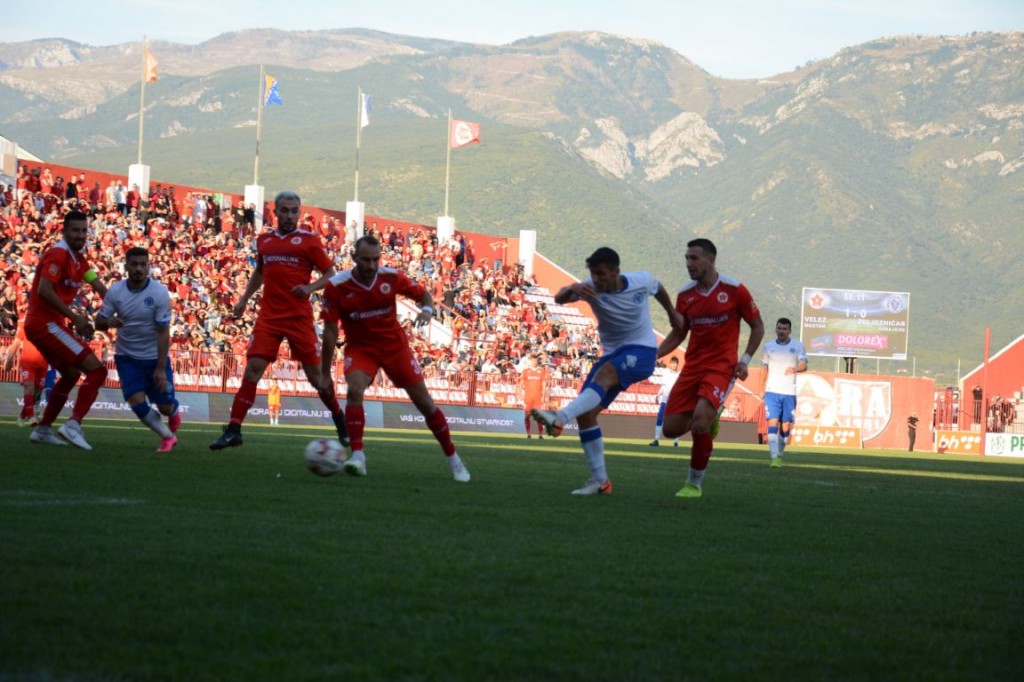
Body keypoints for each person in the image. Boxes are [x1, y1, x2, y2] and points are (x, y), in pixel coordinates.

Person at [531, 247, 683, 495]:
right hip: (612, 354)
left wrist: (671, 313)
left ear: (616, 271)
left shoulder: (640, 281)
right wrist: (573, 289)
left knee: (604, 374)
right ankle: (601, 482)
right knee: (587, 414)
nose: (597, 279)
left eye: (601, 274)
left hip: (643, 351)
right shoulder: (589, 288)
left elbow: (658, 287)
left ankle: (559, 418)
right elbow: (558, 299)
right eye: (593, 274)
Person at [319, 235, 470, 482]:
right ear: (354, 258)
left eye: (375, 260)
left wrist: (427, 310)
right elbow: (330, 331)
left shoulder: (391, 277)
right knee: (354, 390)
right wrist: (324, 373)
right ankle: (358, 456)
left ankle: (453, 458)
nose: (371, 265)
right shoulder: (337, 286)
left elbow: (425, 296)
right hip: (361, 349)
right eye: (365, 260)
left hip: (394, 348)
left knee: (425, 404)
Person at [209, 190, 348, 450]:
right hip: (269, 317)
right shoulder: (265, 241)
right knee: (252, 370)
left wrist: (309, 288)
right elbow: (260, 273)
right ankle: (234, 429)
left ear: (298, 212)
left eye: (294, 211)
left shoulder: (309, 241)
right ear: (275, 212)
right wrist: (243, 299)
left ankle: (339, 419)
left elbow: (330, 273)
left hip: (298, 318)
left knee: (317, 379)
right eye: (284, 210)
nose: (289, 215)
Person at [657, 238, 764, 499]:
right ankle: (710, 417)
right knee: (669, 429)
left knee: (700, 422)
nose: (688, 263)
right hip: (692, 367)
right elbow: (679, 333)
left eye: (694, 258)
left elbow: (757, 326)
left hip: (721, 367)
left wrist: (745, 360)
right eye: (686, 258)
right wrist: (655, 355)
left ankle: (693, 484)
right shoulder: (685, 295)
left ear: (710, 260)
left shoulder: (735, 290)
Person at [23, 209, 110, 450]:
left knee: (71, 374)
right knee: (97, 371)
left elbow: (98, 285)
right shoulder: (58, 254)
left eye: (84, 230)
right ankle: (73, 424)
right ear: (64, 231)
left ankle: (42, 430)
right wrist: (75, 317)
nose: (81, 235)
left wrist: (119, 304)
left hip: (48, 325)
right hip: (44, 323)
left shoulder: (78, 259)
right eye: (75, 230)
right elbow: (44, 290)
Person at [95, 247, 181, 452]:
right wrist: (107, 321)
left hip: (154, 358)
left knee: (165, 408)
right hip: (127, 357)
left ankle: (174, 412)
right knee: (136, 401)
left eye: (143, 264)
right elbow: (98, 323)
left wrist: (160, 368)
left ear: (148, 266)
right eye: (134, 264)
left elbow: (163, 332)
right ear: (126, 266)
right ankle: (167, 437)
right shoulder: (116, 291)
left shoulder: (159, 292)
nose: (139, 269)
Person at [759, 317, 808, 467]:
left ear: (789, 331)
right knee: (772, 421)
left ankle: (779, 454)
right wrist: (761, 388)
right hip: (772, 391)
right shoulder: (768, 347)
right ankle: (774, 458)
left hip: (789, 392)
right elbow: (763, 369)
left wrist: (795, 368)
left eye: (784, 329)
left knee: (786, 427)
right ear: (776, 329)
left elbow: (804, 365)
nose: (782, 331)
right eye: (779, 328)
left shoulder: (798, 346)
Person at [3, 316, 49, 426]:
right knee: (29, 387)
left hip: (43, 363)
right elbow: (16, 342)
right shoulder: (25, 323)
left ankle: (22, 417)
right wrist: (9, 360)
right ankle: (32, 417)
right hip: (28, 361)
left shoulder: (50, 322)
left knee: (36, 391)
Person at [649, 356, 682, 447]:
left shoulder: (680, 374)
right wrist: (657, 395)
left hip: (675, 401)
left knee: (677, 422)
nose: (673, 365)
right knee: (659, 419)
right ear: (670, 364)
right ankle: (656, 440)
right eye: (672, 363)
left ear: (677, 364)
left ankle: (676, 442)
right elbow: (663, 386)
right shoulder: (666, 373)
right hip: (665, 401)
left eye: (675, 363)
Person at [519, 354, 549, 439]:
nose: (534, 362)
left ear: (537, 361)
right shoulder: (525, 371)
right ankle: (528, 434)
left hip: (538, 397)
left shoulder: (542, 371)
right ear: (530, 361)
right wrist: (520, 393)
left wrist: (543, 395)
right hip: (528, 397)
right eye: (532, 360)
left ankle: (540, 434)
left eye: (535, 360)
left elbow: (544, 384)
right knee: (527, 416)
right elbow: (521, 383)